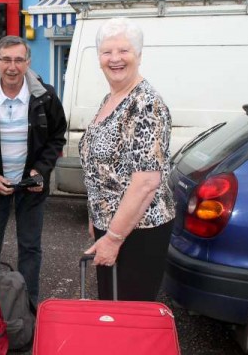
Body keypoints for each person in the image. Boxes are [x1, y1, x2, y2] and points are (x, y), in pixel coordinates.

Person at [0, 35, 67, 305]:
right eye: (6, 59)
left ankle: (28, 308)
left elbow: (56, 136)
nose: (12, 66)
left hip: (31, 188)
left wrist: (40, 170)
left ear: (28, 62)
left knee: (30, 248)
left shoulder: (46, 96)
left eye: (19, 60)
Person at [80, 17, 175, 301]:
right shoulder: (112, 98)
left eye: (123, 50)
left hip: (138, 232)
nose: (115, 59)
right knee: (112, 308)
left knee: (128, 316)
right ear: (99, 58)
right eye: (107, 52)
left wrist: (113, 238)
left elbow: (146, 182)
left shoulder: (146, 104)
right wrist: (94, 216)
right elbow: (101, 171)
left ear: (139, 55)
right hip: (112, 226)